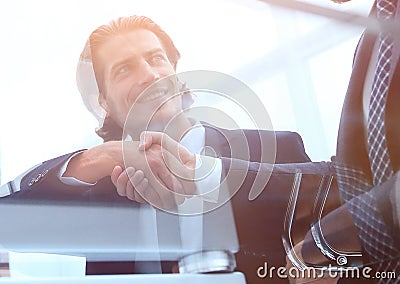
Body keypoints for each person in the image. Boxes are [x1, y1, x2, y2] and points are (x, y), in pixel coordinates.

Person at [1, 15, 314, 282]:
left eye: (156, 59)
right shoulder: (99, 192)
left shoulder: (273, 151)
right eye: (124, 69)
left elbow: (344, 238)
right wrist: (108, 154)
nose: (150, 76)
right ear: (105, 102)